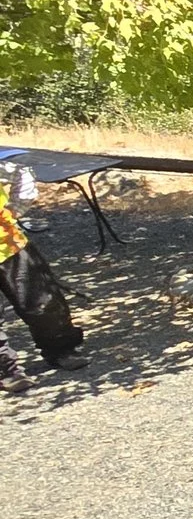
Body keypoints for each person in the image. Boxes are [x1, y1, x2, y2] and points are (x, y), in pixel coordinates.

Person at [0, 159, 86, 394]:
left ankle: (61, 350)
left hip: (9, 245)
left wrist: (14, 209)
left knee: (43, 302)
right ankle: (7, 371)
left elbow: (20, 171)